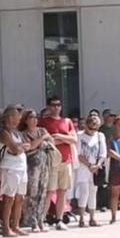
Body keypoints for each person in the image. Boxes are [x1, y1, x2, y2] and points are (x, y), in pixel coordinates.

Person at [39, 97, 77, 230]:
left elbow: (74, 139)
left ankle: (59, 219)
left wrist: (59, 137)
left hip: (66, 161)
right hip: (51, 161)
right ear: (48, 107)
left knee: (62, 191)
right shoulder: (43, 122)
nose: (56, 107)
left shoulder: (67, 121)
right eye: (53, 105)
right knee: (49, 191)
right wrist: (64, 139)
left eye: (58, 105)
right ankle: (42, 219)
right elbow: (47, 141)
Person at [0, 107, 29, 237]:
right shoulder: (3, 132)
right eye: (17, 117)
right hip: (10, 168)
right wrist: (21, 148)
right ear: (10, 117)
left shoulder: (17, 133)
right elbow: (15, 149)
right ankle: (6, 227)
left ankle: (16, 225)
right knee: (9, 198)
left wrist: (21, 148)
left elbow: (28, 146)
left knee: (20, 197)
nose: (19, 119)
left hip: (21, 167)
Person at [19, 109, 52, 233]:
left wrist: (43, 140)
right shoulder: (23, 134)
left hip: (44, 165)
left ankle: (41, 219)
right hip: (32, 166)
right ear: (26, 120)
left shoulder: (42, 130)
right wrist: (42, 139)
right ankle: (32, 221)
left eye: (36, 117)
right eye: (31, 117)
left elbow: (51, 141)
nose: (34, 120)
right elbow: (31, 146)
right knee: (32, 193)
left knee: (42, 192)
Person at [74, 115, 107, 227]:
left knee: (93, 192)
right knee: (84, 192)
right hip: (83, 168)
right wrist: (89, 165)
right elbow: (78, 154)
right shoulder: (79, 135)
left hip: (96, 169)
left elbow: (103, 153)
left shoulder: (100, 136)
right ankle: (82, 218)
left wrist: (97, 165)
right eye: (91, 128)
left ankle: (92, 218)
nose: (93, 130)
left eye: (95, 128)